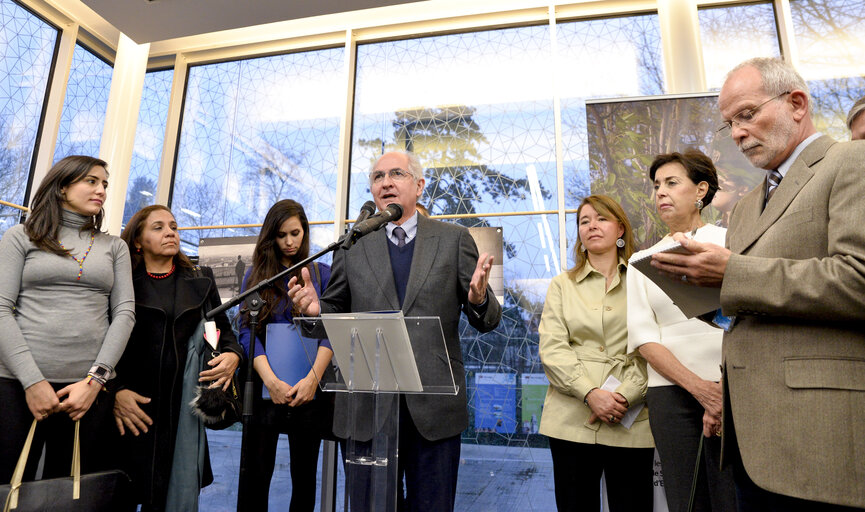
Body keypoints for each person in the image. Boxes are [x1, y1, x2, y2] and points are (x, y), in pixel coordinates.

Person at [651, 57, 865, 511]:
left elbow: (857, 279)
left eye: (747, 114)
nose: (737, 133)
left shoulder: (852, 161)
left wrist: (732, 274)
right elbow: (749, 304)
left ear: (796, 103)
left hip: (822, 439)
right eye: (729, 123)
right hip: (750, 441)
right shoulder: (747, 207)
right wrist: (705, 294)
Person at [288, 150, 502, 512]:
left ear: (418, 186)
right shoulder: (353, 243)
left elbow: (489, 319)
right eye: (377, 176)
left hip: (433, 409)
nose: (385, 182)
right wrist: (313, 309)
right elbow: (335, 309)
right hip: (368, 407)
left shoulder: (453, 239)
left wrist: (479, 298)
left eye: (396, 174)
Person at [0, 155, 135, 482]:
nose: (101, 189)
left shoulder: (115, 247)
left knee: (71, 491)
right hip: (17, 385)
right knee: (8, 487)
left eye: (104, 183)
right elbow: (1, 308)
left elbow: (125, 315)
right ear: (62, 187)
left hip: (86, 392)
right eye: (91, 180)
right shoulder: (20, 237)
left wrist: (94, 382)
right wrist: (32, 381)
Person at [627, 151, 736, 512]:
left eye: (672, 183)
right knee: (684, 499)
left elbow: (748, 321)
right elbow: (644, 339)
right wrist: (700, 390)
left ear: (701, 190)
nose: (661, 192)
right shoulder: (642, 261)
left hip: (734, 388)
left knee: (731, 497)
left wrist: (718, 391)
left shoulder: (732, 244)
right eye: (657, 186)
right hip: (670, 396)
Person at [114, 205, 242, 511]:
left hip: (180, 412)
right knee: (121, 494)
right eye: (158, 227)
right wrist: (115, 391)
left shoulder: (201, 280)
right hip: (132, 410)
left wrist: (232, 355)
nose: (170, 232)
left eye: (173, 226)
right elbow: (100, 340)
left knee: (168, 498)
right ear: (137, 240)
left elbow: (220, 330)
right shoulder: (121, 281)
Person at [538, 194, 654, 512]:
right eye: (584, 221)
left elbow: (653, 348)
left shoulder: (644, 281)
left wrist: (623, 396)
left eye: (601, 219)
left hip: (630, 417)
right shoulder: (562, 285)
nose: (591, 226)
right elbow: (552, 350)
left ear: (620, 229)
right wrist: (591, 393)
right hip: (570, 417)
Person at [235, 199, 334, 512]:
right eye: (282, 235)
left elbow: (332, 332)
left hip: (309, 393)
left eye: (296, 232)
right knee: (255, 480)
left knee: (304, 481)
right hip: (265, 393)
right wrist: (272, 382)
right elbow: (248, 333)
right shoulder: (255, 276)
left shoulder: (322, 274)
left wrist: (312, 381)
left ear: (305, 231)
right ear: (270, 237)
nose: (290, 241)